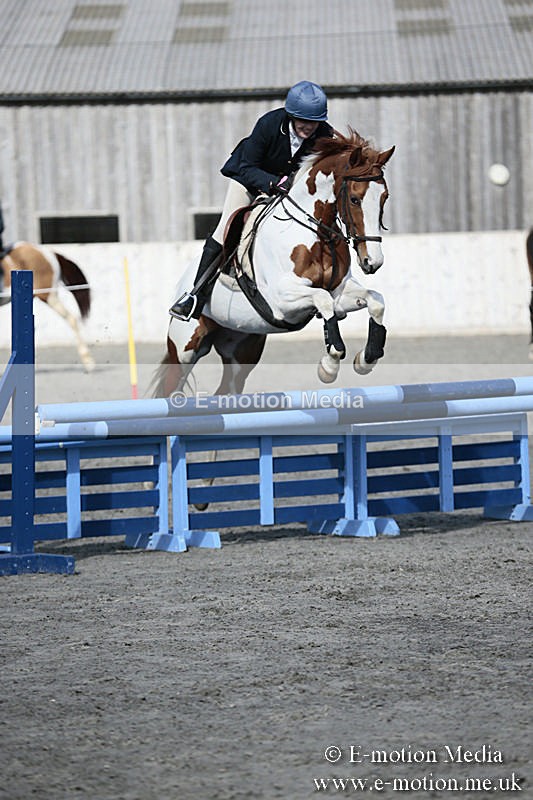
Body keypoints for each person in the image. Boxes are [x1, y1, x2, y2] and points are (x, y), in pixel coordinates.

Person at [169, 80, 334, 321]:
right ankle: (195, 296)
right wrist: (273, 183)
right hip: (249, 179)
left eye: (314, 122)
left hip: (288, 190)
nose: (308, 127)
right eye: (302, 120)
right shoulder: (269, 124)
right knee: (225, 229)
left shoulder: (325, 134)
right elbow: (247, 166)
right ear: (291, 115)